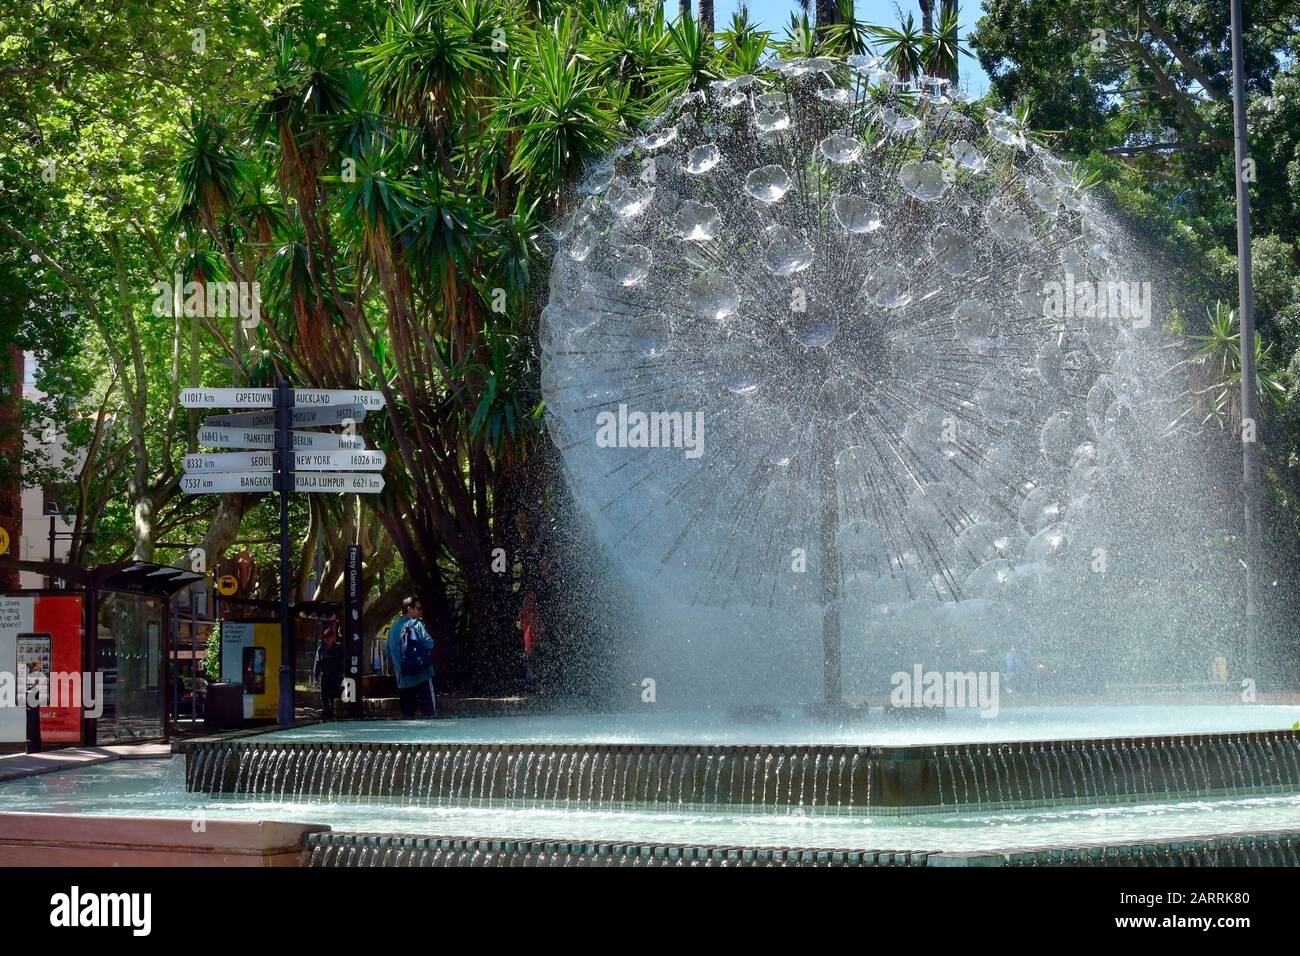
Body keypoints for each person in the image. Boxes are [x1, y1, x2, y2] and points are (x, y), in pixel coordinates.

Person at [387, 597, 435, 718]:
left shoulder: (392, 629)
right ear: (409, 609)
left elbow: (388, 654)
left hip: (403, 681)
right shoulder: (416, 624)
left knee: (407, 719)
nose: (420, 611)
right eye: (418, 608)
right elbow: (430, 643)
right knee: (430, 716)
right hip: (422, 676)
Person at [314, 626, 344, 721]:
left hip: (336, 676)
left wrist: (341, 674)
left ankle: (333, 713)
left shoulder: (339, 648)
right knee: (324, 696)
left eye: (329, 637)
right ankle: (327, 712)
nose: (328, 639)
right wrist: (316, 677)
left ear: (333, 637)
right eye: (326, 637)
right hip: (325, 675)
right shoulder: (321, 650)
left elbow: (343, 662)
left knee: (334, 695)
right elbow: (317, 663)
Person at [25, 658, 45, 754]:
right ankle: (33, 745)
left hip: (33, 701)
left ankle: (34, 746)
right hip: (31, 702)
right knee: (33, 722)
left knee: (33, 722)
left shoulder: (38, 676)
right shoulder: (33, 676)